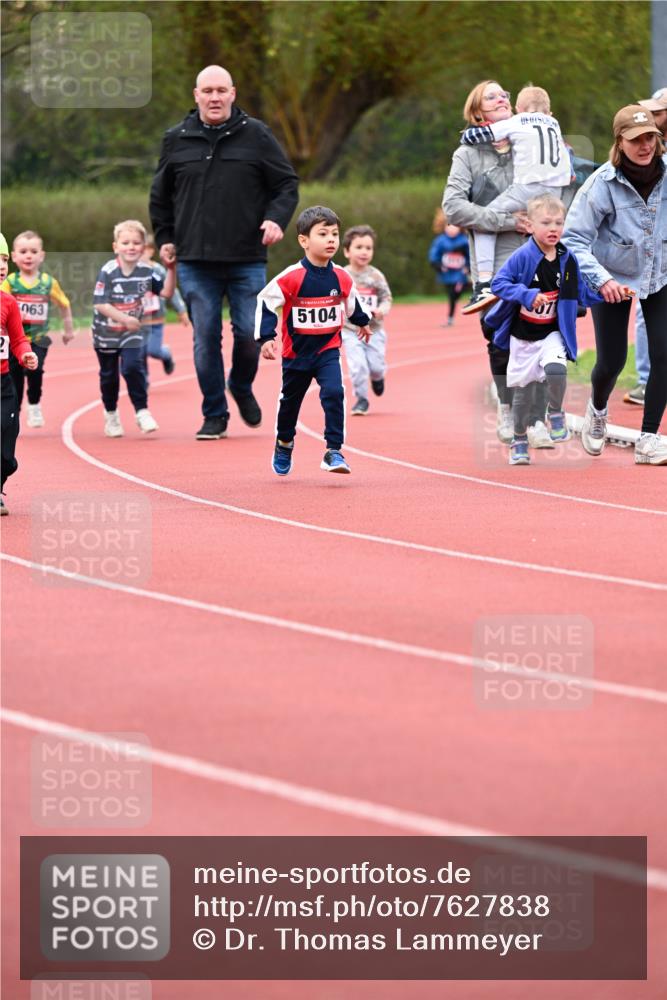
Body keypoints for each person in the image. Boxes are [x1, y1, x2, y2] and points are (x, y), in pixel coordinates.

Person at [149, 64, 299, 440]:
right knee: (205, 338)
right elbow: (160, 196)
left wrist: (276, 219)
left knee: (250, 335)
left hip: (247, 256)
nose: (214, 97)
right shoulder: (176, 139)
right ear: (195, 95)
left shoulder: (257, 135)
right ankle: (214, 413)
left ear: (233, 93)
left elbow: (285, 184)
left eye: (221, 90)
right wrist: (165, 236)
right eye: (207, 91)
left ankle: (241, 385)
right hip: (195, 260)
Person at [442, 80, 552, 450]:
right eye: (493, 96)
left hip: (539, 254)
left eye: (505, 94)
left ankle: (535, 418)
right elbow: (453, 207)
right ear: (479, 114)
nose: (503, 98)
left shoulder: (531, 140)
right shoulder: (467, 155)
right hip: (495, 265)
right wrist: (507, 221)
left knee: (539, 336)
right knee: (501, 339)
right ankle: (508, 409)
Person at [563, 105, 667, 465]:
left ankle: (649, 438)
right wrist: (602, 280)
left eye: (650, 137)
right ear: (620, 143)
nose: (645, 146)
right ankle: (598, 409)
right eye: (636, 140)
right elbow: (573, 238)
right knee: (611, 361)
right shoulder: (601, 184)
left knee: (664, 354)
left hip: (661, 274)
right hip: (612, 276)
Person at [483, 195, 603, 465]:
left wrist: (609, 293)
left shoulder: (567, 258)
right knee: (523, 394)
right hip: (523, 336)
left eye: (559, 223)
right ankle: (519, 440)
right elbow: (499, 284)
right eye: (546, 222)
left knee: (556, 370)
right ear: (529, 225)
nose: (553, 228)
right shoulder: (523, 256)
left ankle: (555, 412)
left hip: (552, 333)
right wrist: (526, 295)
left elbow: (581, 293)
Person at [254, 206, 371, 476]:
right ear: (304, 241)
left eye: (335, 234)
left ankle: (334, 451)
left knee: (334, 392)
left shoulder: (341, 276)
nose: (331, 239)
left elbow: (352, 303)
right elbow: (265, 301)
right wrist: (266, 337)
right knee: (290, 404)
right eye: (323, 234)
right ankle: (284, 442)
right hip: (296, 355)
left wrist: (363, 322)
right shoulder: (292, 276)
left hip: (328, 349)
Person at [459, 86, 571, 314]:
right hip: (556, 190)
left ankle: (484, 283)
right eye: (492, 97)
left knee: (485, 220)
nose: (501, 100)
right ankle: (567, 286)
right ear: (549, 112)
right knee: (553, 231)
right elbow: (567, 163)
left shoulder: (517, 121)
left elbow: (471, 136)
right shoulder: (555, 125)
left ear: (518, 109)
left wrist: (476, 134)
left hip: (528, 186)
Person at [92, 220, 174, 438]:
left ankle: (142, 411)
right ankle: (111, 414)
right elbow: (100, 303)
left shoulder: (147, 271)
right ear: (115, 247)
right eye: (125, 242)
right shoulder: (108, 271)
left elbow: (166, 292)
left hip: (131, 332)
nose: (131, 247)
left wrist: (172, 269)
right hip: (106, 332)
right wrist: (124, 318)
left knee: (132, 368)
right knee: (109, 376)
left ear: (143, 247)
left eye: (136, 243)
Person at [1, 230, 74, 428]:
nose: (28, 255)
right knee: (13, 376)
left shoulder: (48, 283)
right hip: (13, 339)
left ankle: (34, 404)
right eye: (23, 251)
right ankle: (13, 412)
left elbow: (64, 304)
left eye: (33, 251)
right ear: (14, 256)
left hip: (38, 337)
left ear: (41, 256)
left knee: (36, 369)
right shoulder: (10, 282)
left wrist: (68, 330)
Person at [624, 87, 667, 406]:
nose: (652, 118)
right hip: (653, 250)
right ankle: (644, 380)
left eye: (658, 112)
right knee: (645, 311)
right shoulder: (651, 153)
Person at [0, 232, 38, 515]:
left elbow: (17, 338)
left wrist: (26, 354)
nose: (2, 266)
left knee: (7, 455)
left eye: (3, 260)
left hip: (3, 384)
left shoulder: (8, 303)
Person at [341, 225, 392, 415]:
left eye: (368, 248)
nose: (364, 252)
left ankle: (378, 378)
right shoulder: (342, 275)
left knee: (376, 366)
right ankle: (361, 399)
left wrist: (382, 310)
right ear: (347, 251)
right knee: (358, 367)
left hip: (374, 331)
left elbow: (386, 297)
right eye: (359, 247)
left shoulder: (376, 276)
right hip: (350, 331)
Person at [140, 234, 190, 376]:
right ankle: (144, 380)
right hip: (138, 320)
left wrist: (181, 310)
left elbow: (171, 291)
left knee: (152, 350)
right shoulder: (129, 271)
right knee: (139, 352)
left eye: (144, 250)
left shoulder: (157, 270)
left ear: (151, 251)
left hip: (156, 320)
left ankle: (166, 354)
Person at [428, 214, 470, 326]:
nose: (452, 228)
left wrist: (468, 267)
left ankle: (451, 316)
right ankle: (450, 317)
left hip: (460, 273)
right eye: (449, 225)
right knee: (451, 294)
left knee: (455, 293)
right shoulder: (440, 241)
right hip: (447, 273)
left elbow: (471, 255)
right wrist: (438, 265)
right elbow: (434, 254)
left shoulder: (464, 240)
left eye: (455, 226)